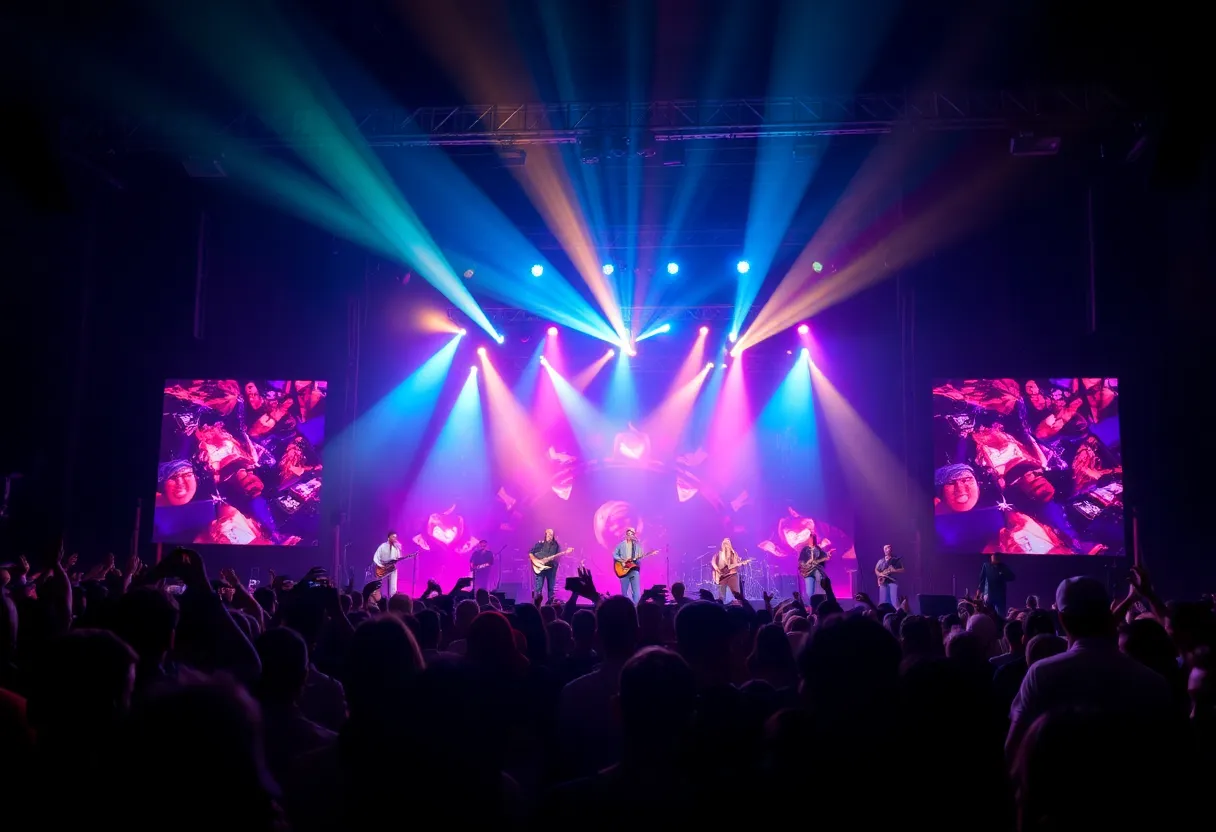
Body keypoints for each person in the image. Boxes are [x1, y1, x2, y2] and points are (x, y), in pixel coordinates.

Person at [529, 529, 564, 604]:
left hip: (551, 569)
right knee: (538, 588)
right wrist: (535, 561)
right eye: (548, 534)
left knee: (551, 589)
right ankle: (537, 605)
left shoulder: (556, 545)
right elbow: (531, 553)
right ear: (545, 534)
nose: (549, 536)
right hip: (540, 569)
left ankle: (550, 606)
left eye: (551, 534)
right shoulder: (540, 544)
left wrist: (554, 562)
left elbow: (558, 557)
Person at [978, 553, 1016, 618]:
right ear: (991, 556)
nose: (996, 557)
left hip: (1000, 595)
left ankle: (1000, 626)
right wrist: (979, 591)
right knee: (988, 613)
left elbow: (1012, 577)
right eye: (994, 555)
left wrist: (1002, 574)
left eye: (997, 555)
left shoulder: (1003, 566)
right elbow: (982, 579)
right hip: (989, 594)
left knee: (1001, 614)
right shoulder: (986, 565)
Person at [612, 528, 643, 604]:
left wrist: (637, 559)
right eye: (628, 534)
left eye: (632, 534)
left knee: (636, 591)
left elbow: (640, 557)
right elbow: (614, 554)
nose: (630, 536)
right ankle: (627, 608)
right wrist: (622, 560)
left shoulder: (637, 546)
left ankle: (636, 607)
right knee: (625, 591)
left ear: (634, 535)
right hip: (624, 569)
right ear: (626, 535)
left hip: (634, 569)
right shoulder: (621, 545)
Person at [372, 532, 405, 598]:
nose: (395, 538)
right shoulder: (383, 546)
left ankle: (392, 599)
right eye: (393, 537)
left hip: (393, 568)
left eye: (396, 537)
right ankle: (382, 599)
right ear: (388, 538)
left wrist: (400, 549)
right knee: (383, 585)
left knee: (393, 586)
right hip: (383, 568)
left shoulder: (396, 547)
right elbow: (376, 557)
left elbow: (399, 557)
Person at [711, 538, 745, 602]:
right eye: (724, 543)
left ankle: (738, 608)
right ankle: (721, 608)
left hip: (732, 575)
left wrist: (739, 563)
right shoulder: (718, 553)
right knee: (721, 596)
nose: (725, 545)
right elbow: (713, 561)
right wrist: (717, 569)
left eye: (727, 543)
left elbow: (735, 564)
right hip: (722, 576)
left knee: (736, 594)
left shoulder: (733, 553)